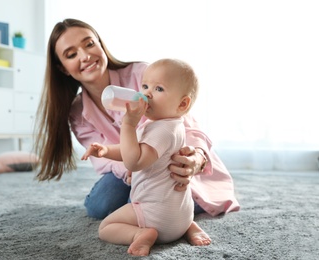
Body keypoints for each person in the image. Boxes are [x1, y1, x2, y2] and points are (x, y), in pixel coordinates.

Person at [34, 18, 240, 245]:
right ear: (63, 68)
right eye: (71, 54)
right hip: (132, 166)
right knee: (100, 204)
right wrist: (130, 168)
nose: (85, 56)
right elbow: (105, 162)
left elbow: (186, 124)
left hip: (170, 161)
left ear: (101, 45)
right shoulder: (77, 110)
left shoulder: (144, 75)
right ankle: (165, 213)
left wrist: (196, 158)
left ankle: (178, 218)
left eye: (89, 44)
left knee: (167, 197)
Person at [81, 58, 210, 256]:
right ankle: (188, 226)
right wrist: (106, 151)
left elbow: (134, 161)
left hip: (155, 217)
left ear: (182, 104)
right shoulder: (170, 125)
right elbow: (132, 149)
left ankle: (140, 234)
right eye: (145, 86)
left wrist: (128, 125)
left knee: (106, 227)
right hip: (180, 215)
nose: (147, 93)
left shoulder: (161, 131)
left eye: (158, 89)